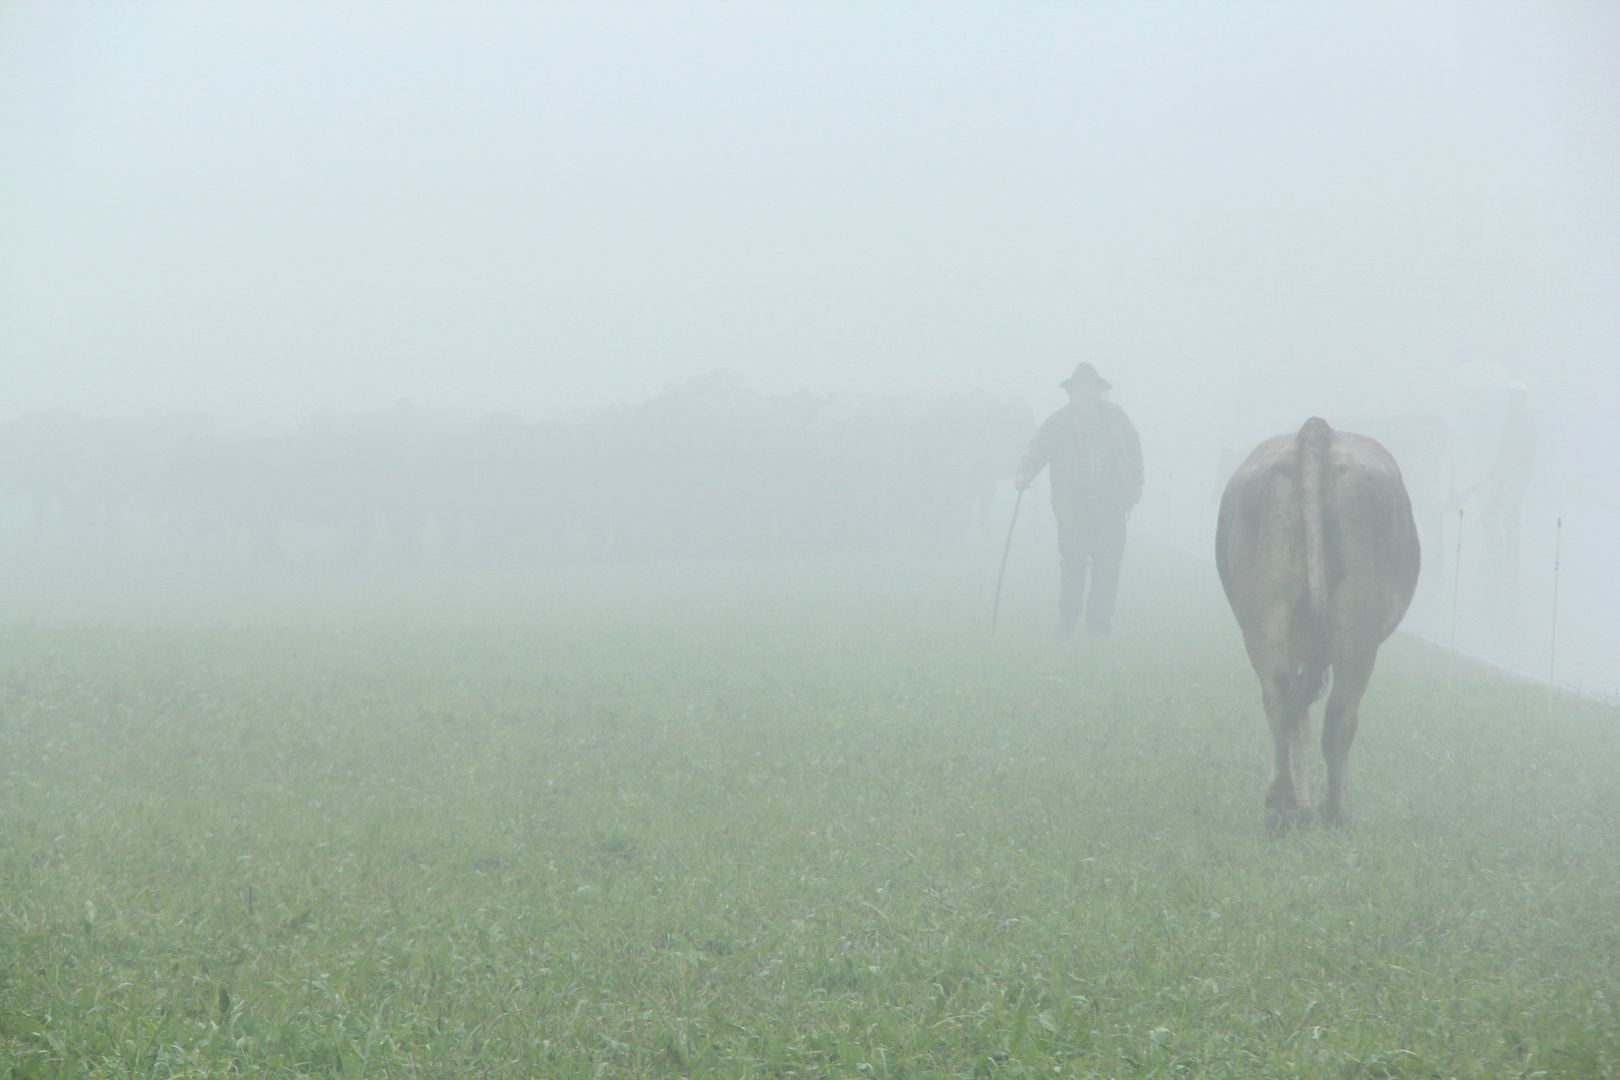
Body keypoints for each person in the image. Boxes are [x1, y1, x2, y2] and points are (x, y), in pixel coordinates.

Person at [1015, 362, 1143, 637]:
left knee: (1107, 567)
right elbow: (1037, 452)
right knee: (1073, 564)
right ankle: (1067, 622)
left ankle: (1099, 626)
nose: (1084, 395)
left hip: (1111, 505)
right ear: (1070, 393)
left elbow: (1134, 446)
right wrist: (1025, 472)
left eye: (1089, 389)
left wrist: (1136, 482)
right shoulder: (1057, 423)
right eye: (1078, 390)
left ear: (1098, 392)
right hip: (1072, 508)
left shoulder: (1115, 417)